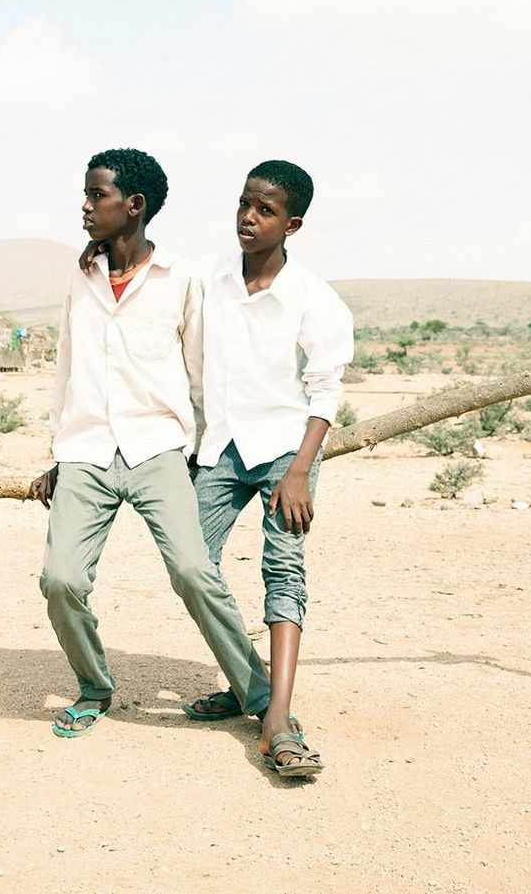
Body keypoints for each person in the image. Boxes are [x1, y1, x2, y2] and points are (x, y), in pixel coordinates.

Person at [29, 147, 270, 739]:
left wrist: (203, 451)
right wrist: (59, 451)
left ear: (133, 206)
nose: (85, 206)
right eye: (86, 195)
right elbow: (67, 365)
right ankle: (93, 687)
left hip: (158, 447)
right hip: (85, 450)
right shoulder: (80, 274)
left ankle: (260, 694)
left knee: (193, 570)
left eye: (97, 196)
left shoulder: (181, 279)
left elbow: (201, 372)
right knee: (60, 580)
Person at [183, 160, 354, 776]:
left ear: (293, 223)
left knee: (284, 568)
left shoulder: (313, 298)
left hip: (287, 450)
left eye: (266, 210)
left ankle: (276, 719)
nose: (248, 219)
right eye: (244, 204)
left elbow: (325, 388)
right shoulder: (208, 277)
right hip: (222, 446)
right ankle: (247, 683)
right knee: (190, 564)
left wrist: (302, 469)